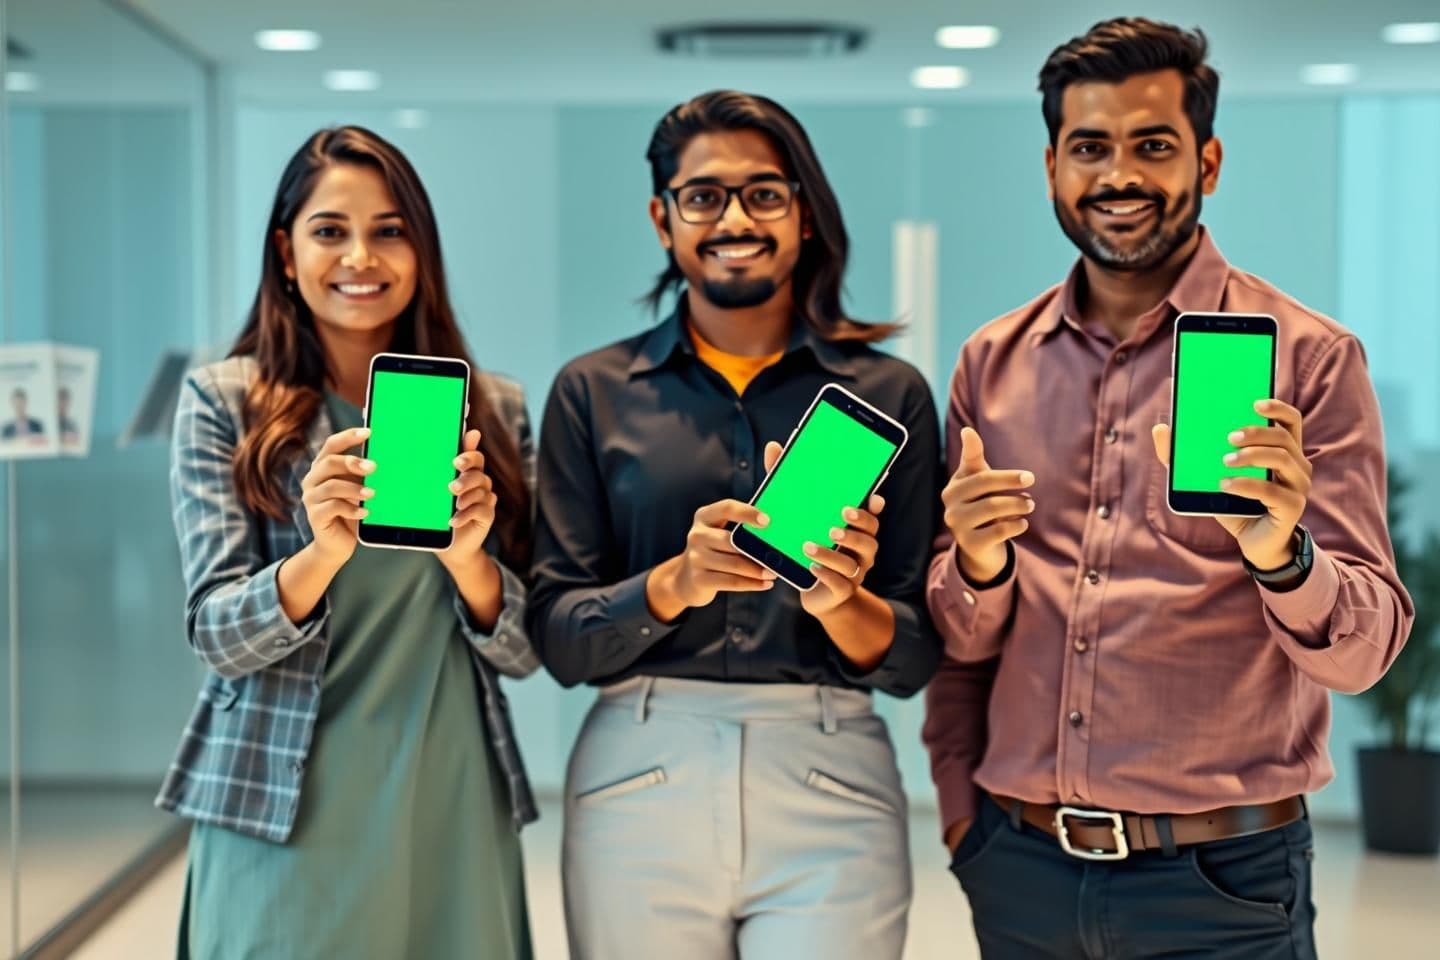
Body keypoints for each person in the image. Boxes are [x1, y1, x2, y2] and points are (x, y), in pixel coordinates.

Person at [922, 18, 1413, 959]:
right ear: (1052, 165)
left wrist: (1282, 551)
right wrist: (962, 818)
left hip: (1222, 890)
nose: (1119, 177)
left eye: (1153, 145)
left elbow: (1364, 652)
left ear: (1209, 160)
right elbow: (963, 643)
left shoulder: (1309, 362)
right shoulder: (991, 362)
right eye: (1090, 148)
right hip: (1020, 871)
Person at [528, 90, 942, 959]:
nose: (734, 219)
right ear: (663, 218)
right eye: (703, 196)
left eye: (764, 193)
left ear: (803, 213)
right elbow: (560, 638)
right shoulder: (591, 392)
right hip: (638, 767)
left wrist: (839, 601)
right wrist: (674, 583)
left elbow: (912, 655)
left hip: (831, 767)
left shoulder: (887, 395)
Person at [159, 126, 538, 959]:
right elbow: (216, 634)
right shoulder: (226, 403)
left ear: (421, 253)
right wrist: (319, 550)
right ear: (286, 254)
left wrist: (469, 557)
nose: (360, 256)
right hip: (279, 798)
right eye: (330, 230)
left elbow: (524, 648)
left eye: (390, 230)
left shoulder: (495, 411)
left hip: (448, 794)